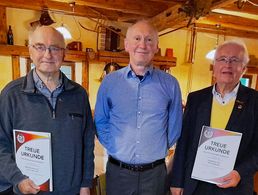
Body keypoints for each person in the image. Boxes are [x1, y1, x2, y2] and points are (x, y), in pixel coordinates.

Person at [0, 26, 95, 195]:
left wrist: (85, 184)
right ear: (30, 51)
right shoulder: (11, 94)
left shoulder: (79, 95)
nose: (48, 54)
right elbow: (1, 144)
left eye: (55, 48)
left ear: (63, 53)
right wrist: (18, 179)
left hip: (71, 190)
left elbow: (87, 143)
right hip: (30, 190)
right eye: (40, 47)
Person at [94, 19, 183, 195]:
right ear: (126, 45)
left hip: (155, 175)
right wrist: (115, 147)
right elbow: (101, 120)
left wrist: (157, 147)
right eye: (137, 38)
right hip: (118, 172)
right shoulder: (110, 82)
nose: (142, 44)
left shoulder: (170, 84)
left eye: (149, 39)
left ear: (157, 46)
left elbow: (174, 126)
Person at [170, 40, 258, 195]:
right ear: (214, 67)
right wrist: (177, 181)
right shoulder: (196, 98)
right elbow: (184, 142)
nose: (228, 65)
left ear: (243, 68)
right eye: (222, 59)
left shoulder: (255, 101)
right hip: (195, 185)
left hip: (234, 187)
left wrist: (240, 172)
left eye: (235, 60)